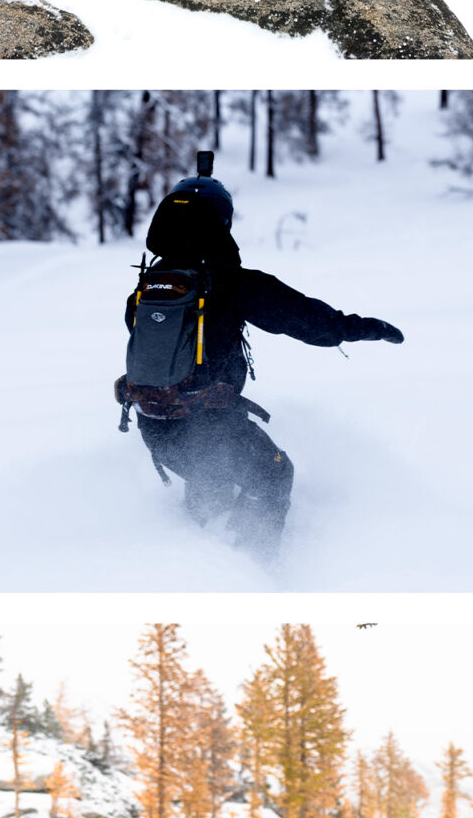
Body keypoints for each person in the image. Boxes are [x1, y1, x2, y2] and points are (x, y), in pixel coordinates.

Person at [116, 160, 403, 560]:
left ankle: (201, 563)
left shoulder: (146, 288)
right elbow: (308, 321)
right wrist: (365, 328)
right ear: (222, 222)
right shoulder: (232, 282)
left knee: (210, 484)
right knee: (273, 473)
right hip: (210, 427)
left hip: (156, 428)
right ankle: (255, 569)